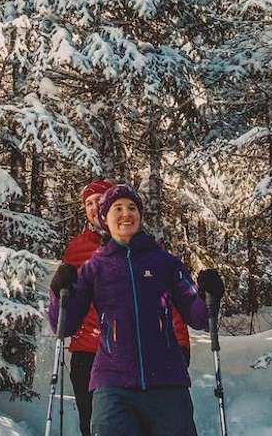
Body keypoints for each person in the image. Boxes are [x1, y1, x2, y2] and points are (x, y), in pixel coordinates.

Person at [51, 184, 225, 436]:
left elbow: (198, 316)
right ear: (105, 218)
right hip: (112, 383)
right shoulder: (94, 267)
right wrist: (59, 292)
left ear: (140, 217)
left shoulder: (164, 262)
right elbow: (64, 324)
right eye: (117, 208)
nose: (126, 213)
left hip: (166, 381)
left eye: (132, 208)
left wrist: (210, 295)